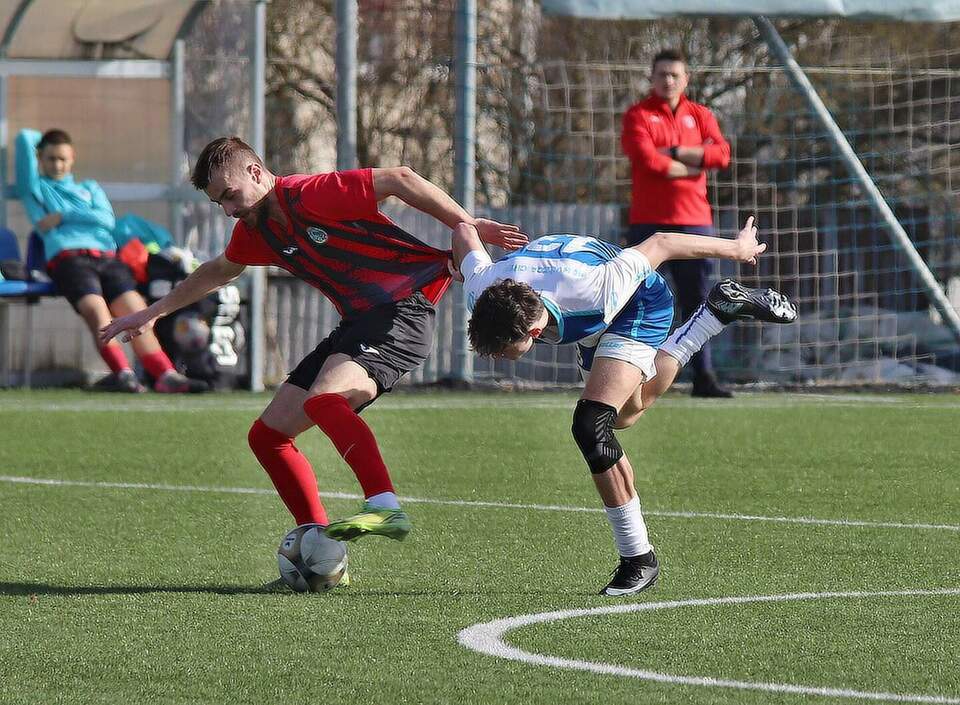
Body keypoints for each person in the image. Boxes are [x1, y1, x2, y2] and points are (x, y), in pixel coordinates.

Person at [99, 137, 527, 582]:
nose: (227, 210)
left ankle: (385, 506)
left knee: (324, 400)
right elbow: (220, 269)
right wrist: (152, 313)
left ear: (255, 173)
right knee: (268, 437)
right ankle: (317, 545)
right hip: (358, 324)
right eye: (218, 202)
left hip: (404, 312)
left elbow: (399, 178)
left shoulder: (311, 194)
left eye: (229, 195)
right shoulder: (255, 230)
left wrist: (466, 224)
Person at [454, 217, 797, 596]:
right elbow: (463, 231)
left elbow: (662, 243)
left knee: (591, 425)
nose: (496, 357)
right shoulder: (482, 287)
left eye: (502, 349)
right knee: (627, 414)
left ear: (534, 332)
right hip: (582, 309)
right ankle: (714, 313)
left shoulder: (596, 288)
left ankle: (638, 558)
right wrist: (477, 230)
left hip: (638, 302)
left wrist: (737, 249)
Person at [14, 128, 206, 393]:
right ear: (40, 159)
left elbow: (106, 220)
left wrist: (62, 216)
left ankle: (165, 375)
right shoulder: (37, 189)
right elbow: (25, 137)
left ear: (72, 159)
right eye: (50, 158)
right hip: (69, 260)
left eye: (62, 159)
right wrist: (43, 144)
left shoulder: (88, 188)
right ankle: (123, 374)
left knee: (137, 311)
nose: (57, 165)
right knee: (97, 311)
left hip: (107, 258)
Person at [621, 48, 733, 397]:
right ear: (652, 78)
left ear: (686, 79)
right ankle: (626, 377)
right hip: (648, 225)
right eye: (662, 74)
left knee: (698, 302)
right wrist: (693, 164)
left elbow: (722, 155)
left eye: (674, 75)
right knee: (636, 300)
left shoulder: (700, 115)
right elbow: (647, 160)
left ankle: (703, 377)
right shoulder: (638, 115)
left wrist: (672, 152)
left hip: (694, 222)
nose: (668, 80)